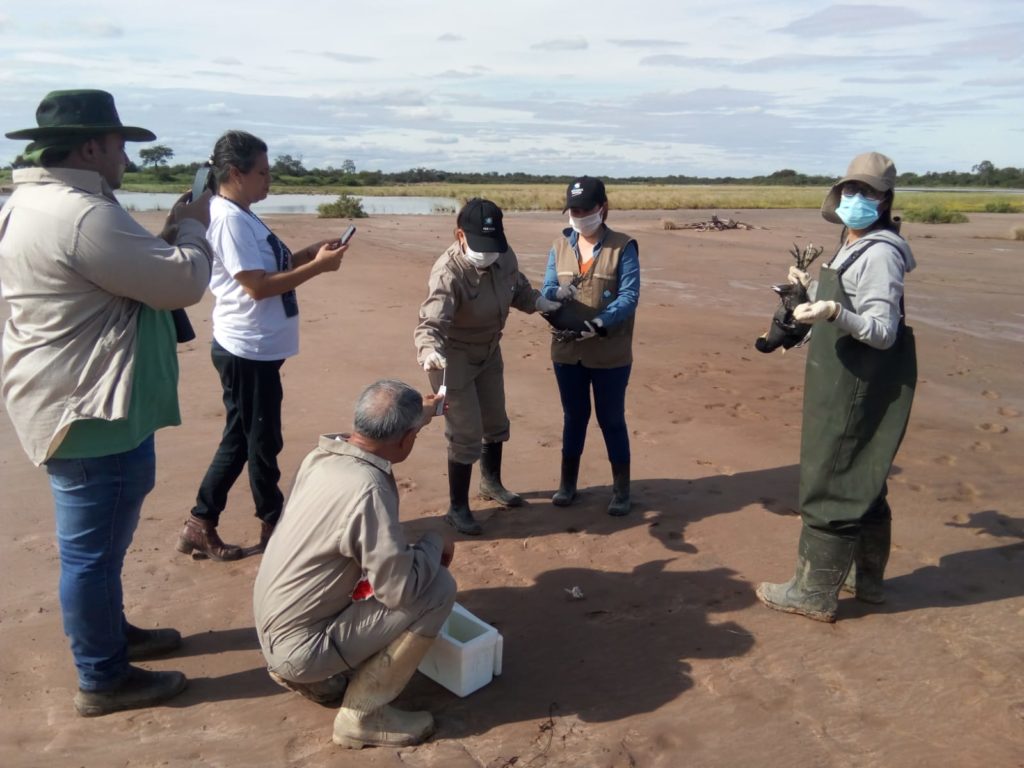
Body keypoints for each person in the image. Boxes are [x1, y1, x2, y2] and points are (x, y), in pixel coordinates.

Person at [0, 89, 213, 715]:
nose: (126, 157)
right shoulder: (79, 214)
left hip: (69, 398)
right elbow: (182, 283)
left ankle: (112, 638)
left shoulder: (35, 204)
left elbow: (124, 270)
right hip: (88, 408)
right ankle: (102, 676)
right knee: (91, 553)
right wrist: (195, 226)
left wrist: (169, 233)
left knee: (100, 545)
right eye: (120, 145)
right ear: (91, 146)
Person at [757, 151, 917, 622]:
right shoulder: (856, 242)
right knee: (863, 472)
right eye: (849, 189)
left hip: (860, 381)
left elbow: (883, 331)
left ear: (885, 200)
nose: (854, 198)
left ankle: (812, 592)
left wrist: (832, 313)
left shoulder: (883, 253)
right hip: (846, 375)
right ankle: (863, 580)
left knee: (831, 474)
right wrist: (808, 294)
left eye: (866, 192)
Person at [253, 379, 455, 749]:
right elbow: (398, 591)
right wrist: (433, 543)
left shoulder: (321, 458)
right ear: (407, 440)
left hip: (274, 634)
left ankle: (315, 677)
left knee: (384, 562)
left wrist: (424, 413)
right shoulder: (369, 489)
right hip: (301, 650)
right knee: (438, 588)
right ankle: (363, 716)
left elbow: (388, 428)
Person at [177, 130, 349, 561]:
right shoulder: (231, 219)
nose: (269, 180)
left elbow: (269, 267)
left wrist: (310, 254)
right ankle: (273, 524)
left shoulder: (240, 211)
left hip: (254, 348)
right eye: (263, 172)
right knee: (260, 441)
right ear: (235, 173)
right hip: (246, 348)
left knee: (243, 437)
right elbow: (255, 286)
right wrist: (319, 270)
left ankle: (201, 523)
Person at [414, 198, 561, 535]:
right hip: (451, 355)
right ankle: (458, 507)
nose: (488, 253)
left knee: (495, 421)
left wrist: (538, 301)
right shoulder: (447, 271)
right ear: (460, 235)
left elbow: (517, 288)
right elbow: (430, 323)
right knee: (465, 431)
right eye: (480, 246)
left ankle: (491, 483)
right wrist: (429, 352)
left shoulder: (503, 253)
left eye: (493, 246)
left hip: (489, 348)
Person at [540, 177, 640, 515]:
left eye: (585, 209)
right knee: (574, 416)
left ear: (602, 208)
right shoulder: (559, 245)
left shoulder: (623, 247)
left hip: (610, 352)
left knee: (611, 418)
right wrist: (556, 295)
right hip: (567, 351)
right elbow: (548, 286)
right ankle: (567, 485)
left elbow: (629, 296)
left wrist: (599, 323)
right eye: (573, 210)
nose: (578, 216)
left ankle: (621, 490)